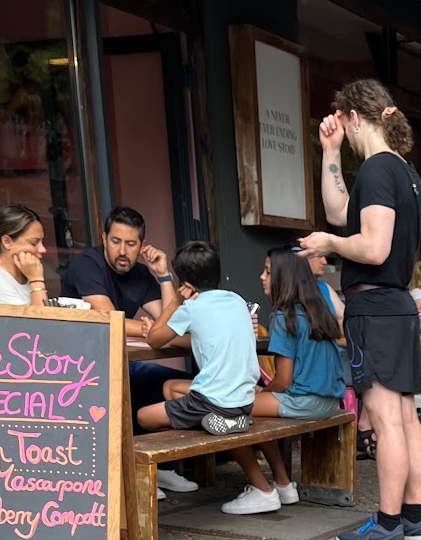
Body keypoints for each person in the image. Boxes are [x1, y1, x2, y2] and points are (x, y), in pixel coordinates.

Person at [296, 78, 421, 540]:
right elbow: (341, 212)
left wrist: (328, 244)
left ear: (355, 117)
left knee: (387, 419)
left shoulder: (375, 169)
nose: (344, 133)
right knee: (406, 418)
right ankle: (413, 519)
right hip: (396, 306)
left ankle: (388, 526)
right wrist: (330, 152)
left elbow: (372, 247)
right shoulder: (404, 172)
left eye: (343, 124)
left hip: (374, 307)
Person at [63, 204, 198, 494]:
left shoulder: (141, 274)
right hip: (80, 369)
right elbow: (108, 317)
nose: (122, 251)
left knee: (170, 385)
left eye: (131, 243)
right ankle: (132, 475)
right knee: (129, 387)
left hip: (120, 361)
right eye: (115, 241)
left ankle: (158, 467)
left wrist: (164, 276)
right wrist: (153, 330)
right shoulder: (86, 265)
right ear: (104, 239)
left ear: (142, 245)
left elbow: (172, 322)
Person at [218, 247, 346, 515]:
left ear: (283, 277)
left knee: (227, 406)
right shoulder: (316, 309)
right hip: (330, 400)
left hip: (305, 401)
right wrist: (262, 394)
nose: (262, 277)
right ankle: (284, 485)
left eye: (268, 271)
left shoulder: (283, 316)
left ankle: (262, 491)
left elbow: (284, 380)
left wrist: (262, 393)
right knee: (255, 403)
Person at [140, 241, 258, 436]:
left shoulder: (192, 308)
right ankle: (226, 422)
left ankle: (213, 423)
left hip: (213, 402)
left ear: (186, 285)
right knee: (170, 387)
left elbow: (153, 339)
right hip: (244, 401)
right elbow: (205, 340)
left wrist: (176, 301)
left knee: (143, 416)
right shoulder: (237, 300)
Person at [0, 205, 52, 306]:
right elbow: (39, 315)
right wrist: (36, 280)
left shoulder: (27, 274)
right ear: (7, 242)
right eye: (34, 243)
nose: (43, 249)